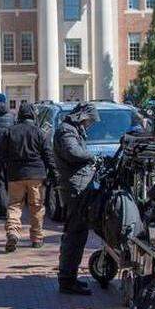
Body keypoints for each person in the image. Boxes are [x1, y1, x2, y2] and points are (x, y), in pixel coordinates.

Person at [54, 102, 100, 295]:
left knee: (77, 233)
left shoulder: (72, 129)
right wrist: (92, 156)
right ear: (82, 116)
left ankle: (69, 277)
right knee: (74, 233)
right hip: (75, 188)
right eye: (89, 120)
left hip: (78, 185)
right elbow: (72, 152)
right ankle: (67, 279)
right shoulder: (66, 131)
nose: (89, 125)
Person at [0, 102, 56, 252]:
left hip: (15, 175)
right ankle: (37, 238)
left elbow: (1, 156)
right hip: (36, 175)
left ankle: (12, 232)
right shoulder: (39, 132)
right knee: (36, 207)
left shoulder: (10, 131)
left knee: (14, 205)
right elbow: (48, 155)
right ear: (33, 115)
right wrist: (54, 174)